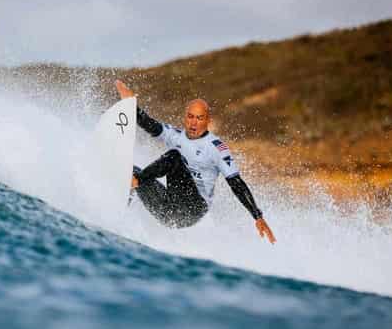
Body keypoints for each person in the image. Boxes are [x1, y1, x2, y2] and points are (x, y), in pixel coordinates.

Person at [116, 80, 276, 244]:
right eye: (190, 117)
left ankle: (136, 181)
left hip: (192, 210)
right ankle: (119, 217)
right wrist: (130, 105)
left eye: (199, 118)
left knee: (173, 157)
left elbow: (236, 183)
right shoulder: (176, 135)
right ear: (185, 117)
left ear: (208, 120)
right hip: (167, 209)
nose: (193, 123)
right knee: (131, 170)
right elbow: (150, 125)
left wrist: (257, 216)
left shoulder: (217, 148)